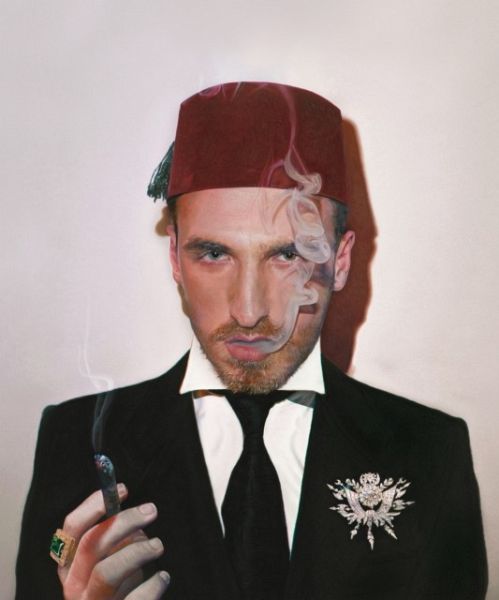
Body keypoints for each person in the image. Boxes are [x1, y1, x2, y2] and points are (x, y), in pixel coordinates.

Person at [16, 82, 487, 600]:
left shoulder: (428, 451)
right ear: (175, 257)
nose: (248, 312)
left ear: (340, 261)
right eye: (214, 254)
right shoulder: (76, 441)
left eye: (288, 256)